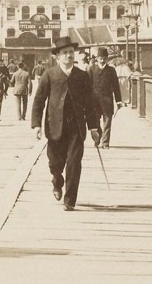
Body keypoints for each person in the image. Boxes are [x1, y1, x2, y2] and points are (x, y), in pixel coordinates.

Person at [31, 37, 100, 211]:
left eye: (71, 52)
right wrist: (36, 125)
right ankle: (57, 180)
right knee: (55, 162)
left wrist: (93, 127)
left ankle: (70, 200)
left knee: (74, 163)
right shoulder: (50, 74)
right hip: (54, 126)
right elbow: (39, 100)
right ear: (57, 56)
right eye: (65, 53)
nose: (68, 55)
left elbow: (90, 103)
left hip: (76, 127)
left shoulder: (82, 75)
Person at [88, 47, 123, 150]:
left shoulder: (111, 70)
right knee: (95, 122)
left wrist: (118, 100)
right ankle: (98, 137)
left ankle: (105, 143)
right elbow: (87, 86)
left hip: (107, 100)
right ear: (97, 59)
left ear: (107, 59)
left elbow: (116, 86)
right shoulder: (91, 69)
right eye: (100, 58)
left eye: (104, 58)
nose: (102, 60)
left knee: (107, 122)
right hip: (94, 101)